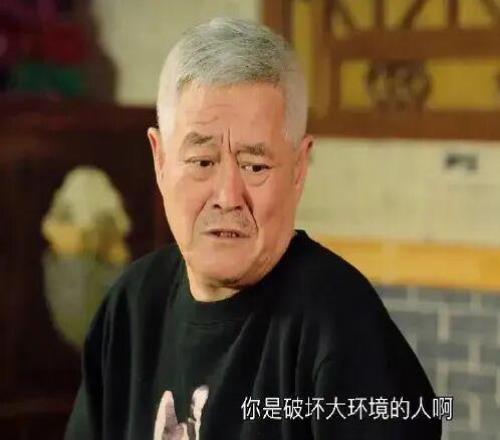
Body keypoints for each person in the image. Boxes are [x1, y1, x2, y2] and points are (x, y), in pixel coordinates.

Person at [65, 17, 442, 440]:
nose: (228, 196)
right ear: (160, 160)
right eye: (202, 162)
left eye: (255, 166)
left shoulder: (340, 324)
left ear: (298, 168)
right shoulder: (131, 307)